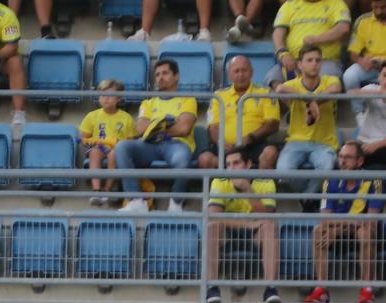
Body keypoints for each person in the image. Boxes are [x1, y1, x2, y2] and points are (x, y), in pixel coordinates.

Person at [114, 60, 199, 215]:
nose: (160, 78)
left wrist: (154, 127)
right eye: (157, 74)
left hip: (176, 145)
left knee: (183, 158)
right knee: (122, 147)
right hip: (149, 145)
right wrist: (168, 126)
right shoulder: (147, 102)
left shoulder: (188, 99)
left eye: (165, 73)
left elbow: (184, 128)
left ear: (176, 76)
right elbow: (140, 128)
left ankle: (176, 203)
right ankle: (135, 201)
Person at [205, 146, 281, 303]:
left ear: (248, 164)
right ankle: (211, 287)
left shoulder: (265, 182)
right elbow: (213, 214)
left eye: (236, 163)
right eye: (228, 164)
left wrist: (248, 189)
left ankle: (271, 288)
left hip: (255, 233)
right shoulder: (220, 181)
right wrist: (248, 224)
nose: (231, 168)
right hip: (229, 232)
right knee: (212, 226)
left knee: (269, 227)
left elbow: (268, 216)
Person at [309, 142, 383, 303]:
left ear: (360, 161)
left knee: (364, 231)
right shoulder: (330, 180)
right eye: (341, 157)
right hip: (340, 232)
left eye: (348, 157)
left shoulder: (372, 181)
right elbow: (326, 218)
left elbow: (370, 220)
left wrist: (337, 230)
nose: (342, 161)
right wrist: (341, 227)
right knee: (318, 230)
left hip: (367, 234)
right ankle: (322, 290)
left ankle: (367, 289)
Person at [276, 47, 342, 197]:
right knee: (283, 173)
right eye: (309, 60)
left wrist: (314, 101)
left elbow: (336, 89)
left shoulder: (330, 80)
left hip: (324, 143)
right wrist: (307, 97)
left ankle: (306, 199)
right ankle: (310, 198)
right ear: (300, 65)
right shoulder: (293, 84)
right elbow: (280, 88)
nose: (314, 64)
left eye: (318, 60)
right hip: (296, 141)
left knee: (327, 170)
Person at [200, 56, 280, 171]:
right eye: (236, 71)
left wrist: (250, 138)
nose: (241, 75)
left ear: (251, 72)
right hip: (225, 147)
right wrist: (220, 141)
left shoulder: (266, 93)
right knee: (204, 159)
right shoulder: (218, 95)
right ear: (229, 75)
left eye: (244, 70)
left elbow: (272, 124)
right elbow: (213, 126)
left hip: (254, 144)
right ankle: (219, 188)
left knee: (270, 152)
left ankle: (261, 187)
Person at [266, 0, 350, 86]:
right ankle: (289, 100)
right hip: (295, 61)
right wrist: (283, 52)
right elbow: (278, 33)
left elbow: (343, 29)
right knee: (273, 77)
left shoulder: (336, 3)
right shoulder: (289, 5)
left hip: (323, 61)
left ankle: (316, 99)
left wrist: (317, 39)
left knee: (328, 78)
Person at [81, 80, 136, 205]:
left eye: (110, 95)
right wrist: (89, 142)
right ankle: (96, 190)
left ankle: (107, 189)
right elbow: (84, 137)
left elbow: (131, 141)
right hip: (99, 147)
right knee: (94, 153)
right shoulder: (92, 116)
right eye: (102, 95)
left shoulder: (126, 118)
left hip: (116, 149)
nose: (105, 99)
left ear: (119, 99)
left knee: (113, 155)